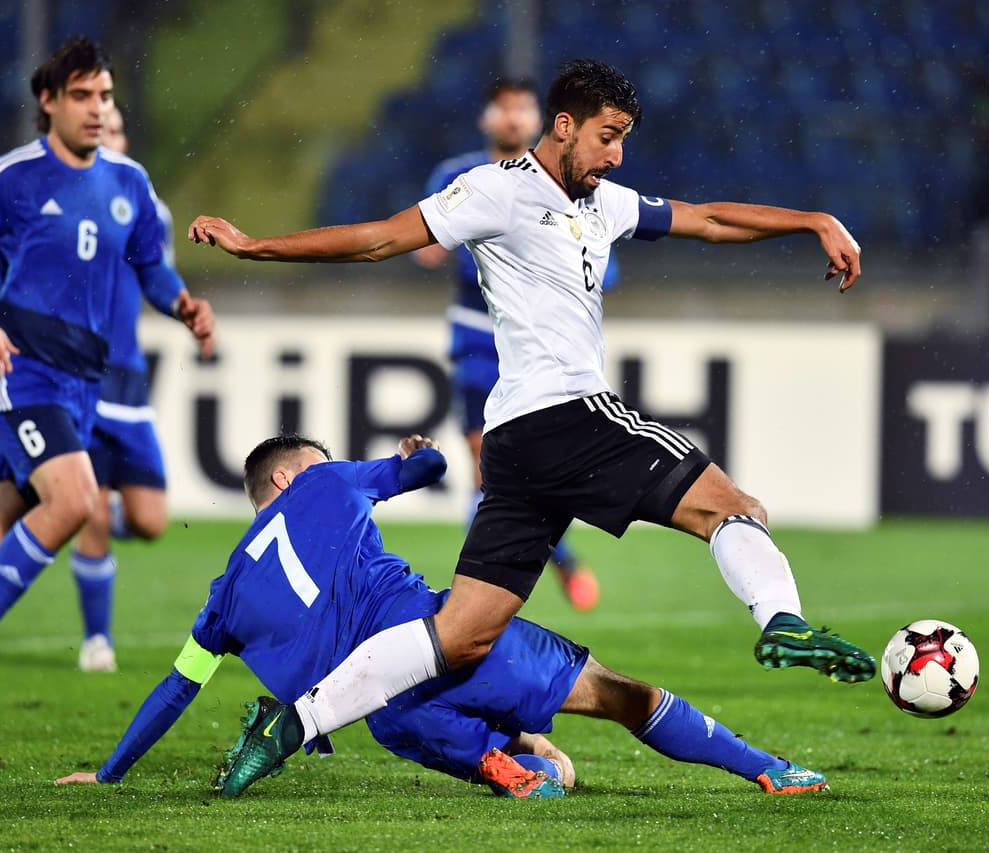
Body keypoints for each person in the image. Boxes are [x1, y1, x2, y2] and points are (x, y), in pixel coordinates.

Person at [188, 59, 873, 789]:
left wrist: (812, 220)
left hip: (514, 446)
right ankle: (781, 621)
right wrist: (256, 246)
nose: (616, 156)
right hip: (569, 414)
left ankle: (292, 722)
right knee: (736, 510)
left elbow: (704, 218)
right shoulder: (497, 189)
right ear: (565, 125)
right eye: (608, 137)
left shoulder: (604, 202)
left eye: (625, 140)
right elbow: (383, 237)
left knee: (459, 635)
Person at [54, 434, 828, 799]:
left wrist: (111, 770)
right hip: (447, 638)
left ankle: (509, 763)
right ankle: (769, 768)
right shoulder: (323, 484)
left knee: (459, 734)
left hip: (387, 717)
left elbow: (176, 687)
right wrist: (414, 453)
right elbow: (428, 470)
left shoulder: (223, 595)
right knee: (623, 696)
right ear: (290, 476)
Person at [0, 37, 214, 721]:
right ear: (49, 101)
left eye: (107, 97)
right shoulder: (12, 178)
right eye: (83, 97)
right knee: (73, 500)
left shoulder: (128, 184)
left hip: (80, 388)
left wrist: (183, 304)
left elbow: (152, 267)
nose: (97, 110)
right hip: (18, 373)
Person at [412, 77, 602, 612]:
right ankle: (547, 567)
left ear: (538, 119)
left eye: (522, 109)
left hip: (540, 341)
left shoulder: (562, 183)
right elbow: (421, 239)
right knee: (486, 466)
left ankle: (531, 562)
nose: (514, 118)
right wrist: (434, 248)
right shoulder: (459, 176)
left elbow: (597, 261)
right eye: (504, 109)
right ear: (487, 119)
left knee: (532, 466)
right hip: (476, 334)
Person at [67, 104, 192, 673]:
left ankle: (66, 519)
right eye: (103, 129)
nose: (110, 138)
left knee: (150, 520)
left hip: (129, 378)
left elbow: (156, 278)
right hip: (77, 377)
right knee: (91, 510)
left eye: (119, 128)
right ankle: (97, 640)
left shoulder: (147, 206)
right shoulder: (61, 197)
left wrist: (184, 307)